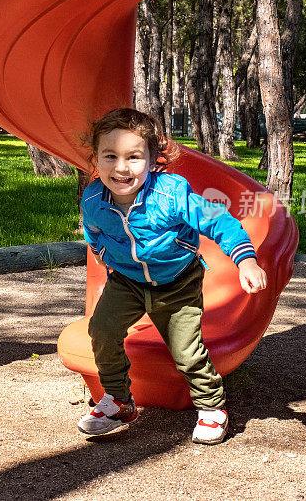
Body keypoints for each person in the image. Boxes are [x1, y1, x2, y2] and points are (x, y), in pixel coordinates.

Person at [78, 107, 266, 444]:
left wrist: (246, 260)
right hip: (127, 281)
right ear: (96, 158)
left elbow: (217, 220)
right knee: (102, 331)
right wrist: (105, 261)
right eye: (111, 156)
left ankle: (212, 408)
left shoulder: (171, 194)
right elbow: (94, 235)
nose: (121, 167)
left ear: (151, 160)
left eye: (133, 157)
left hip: (177, 283)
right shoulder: (93, 199)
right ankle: (119, 400)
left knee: (186, 351)